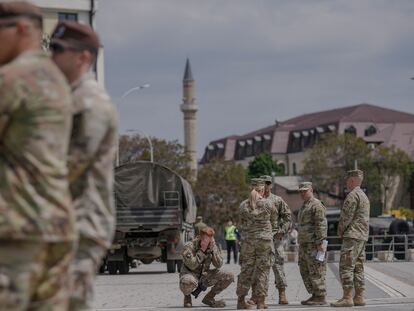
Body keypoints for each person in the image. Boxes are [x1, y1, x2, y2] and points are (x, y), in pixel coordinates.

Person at [0, 2, 75, 309]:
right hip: (54, 224)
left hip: (18, 227)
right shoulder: (55, 79)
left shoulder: (13, 78)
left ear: (20, 28)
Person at [50, 20, 118, 310]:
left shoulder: (91, 103)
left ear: (83, 57)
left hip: (82, 223)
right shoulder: (67, 99)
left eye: (58, 49)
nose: (51, 55)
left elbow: (68, 165)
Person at [236, 178, 277, 309]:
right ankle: (261, 302)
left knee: (246, 270)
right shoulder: (269, 204)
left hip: (248, 242)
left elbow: (240, 225)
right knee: (263, 271)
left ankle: (241, 301)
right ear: (262, 190)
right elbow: (274, 221)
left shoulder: (243, 205)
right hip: (264, 242)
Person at [331, 169, 370, 307]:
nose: (346, 183)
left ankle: (347, 297)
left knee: (346, 266)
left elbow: (346, 217)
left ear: (352, 180)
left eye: (347, 181)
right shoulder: (364, 196)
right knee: (358, 266)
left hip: (352, 236)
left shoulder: (352, 195)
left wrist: (340, 231)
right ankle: (359, 296)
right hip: (362, 236)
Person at [179, 226, 234, 308]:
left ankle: (209, 297)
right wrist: (202, 250)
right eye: (205, 239)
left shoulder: (212, 246)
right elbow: (192, 265)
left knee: (229, 276)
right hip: (191, 274)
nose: (208, 241)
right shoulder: (189, 246)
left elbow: (218, 265)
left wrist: (213, 251)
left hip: (204, 275)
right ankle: (187, 298)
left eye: (210, 238)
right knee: (187, 281)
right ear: (200, 237)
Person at [297, 182, 327, 305]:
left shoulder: (316, 205)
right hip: (304, 244)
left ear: (311, 190)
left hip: (314, 244)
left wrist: (320, 242)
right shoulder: (304, 205)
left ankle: (320, 296)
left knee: (316, 269)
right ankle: (314, 294)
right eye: (301, 191)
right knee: (305, 269)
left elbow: (321, 224)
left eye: (305, 191)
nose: (303, 193)